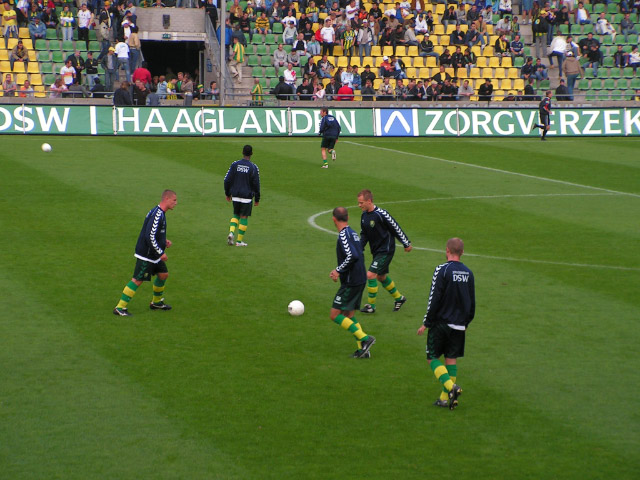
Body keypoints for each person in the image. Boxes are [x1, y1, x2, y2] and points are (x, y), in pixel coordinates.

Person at [416, 237, 475, 410]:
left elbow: (434, 298)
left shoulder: (442, 270)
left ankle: (451, 388)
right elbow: (472, 302)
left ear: (447, 250)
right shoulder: (469, 273)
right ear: (462, 252)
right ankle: (444, 398)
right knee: (451, 360)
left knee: (432, 358)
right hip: (459, 325)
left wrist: (426, 322)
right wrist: (466, 322)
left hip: (441, 323)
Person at [113, 190, 177, 317]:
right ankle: (120, 307)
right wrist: (160, 253)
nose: (176, 203)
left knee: (163, 274)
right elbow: (149, 236)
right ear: (166, 199)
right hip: (147, 255)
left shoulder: (160, 213)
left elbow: (154, 233)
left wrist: (163, 241)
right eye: (174, 200)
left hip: (153, 254)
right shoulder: (157, 215)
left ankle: (156, 303)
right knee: (137, 280)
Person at [329, 206, 376, 359]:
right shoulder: (353, 233)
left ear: (334, 219)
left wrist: (338, 270)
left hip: (351, 281)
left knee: (335, 314)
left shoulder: (344, 235)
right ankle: (363, 351)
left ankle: (365, 339)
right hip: (360, 278)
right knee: (349, 314)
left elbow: (352, 256)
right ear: (347, 218)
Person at [357, 189, 411, 314]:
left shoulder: (381, 214)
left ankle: (371, 306)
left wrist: (406, 243)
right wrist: (360, 248)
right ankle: (399, 298)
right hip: (376, 250)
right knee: (381, 277)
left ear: (369, 201)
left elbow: (395, 227)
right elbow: (364, 233)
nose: (359, 205)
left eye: (361, 203)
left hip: (386, 250)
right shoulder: (364, 216)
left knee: (370, 275)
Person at [224, 145, 260, 247]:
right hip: (247, 197)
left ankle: (231, 232)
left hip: (235, 195)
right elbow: (256, 184)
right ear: (251, 154)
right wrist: (257, 198)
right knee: (244, 217)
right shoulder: (253, 167)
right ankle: (239, 242)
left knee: (236, 214)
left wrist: (228, 193)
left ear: (242, 153)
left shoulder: (235, 164)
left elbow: (227, 180)